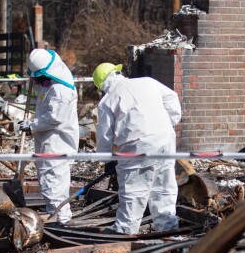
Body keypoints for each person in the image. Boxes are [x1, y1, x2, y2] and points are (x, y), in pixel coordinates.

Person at [93, 63, 181, 235]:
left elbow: (104, 136)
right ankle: (167, 227)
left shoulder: (108, 100)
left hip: (136, 146)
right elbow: (172, 98)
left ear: (102, 86)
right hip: (165, 139)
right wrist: (169, 122)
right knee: (164, 185)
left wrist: (106, 159)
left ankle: (125, 231)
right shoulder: (148, 82)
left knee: (133, 189)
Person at [19, 49, 79, 223]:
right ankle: (56, 214)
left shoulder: (60, 90)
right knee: (49, 180)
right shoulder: (53, 83)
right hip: (49, 140)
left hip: (57, 142)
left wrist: (32, 126)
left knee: (53, 181)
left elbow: (54, 117)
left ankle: (61, 219)